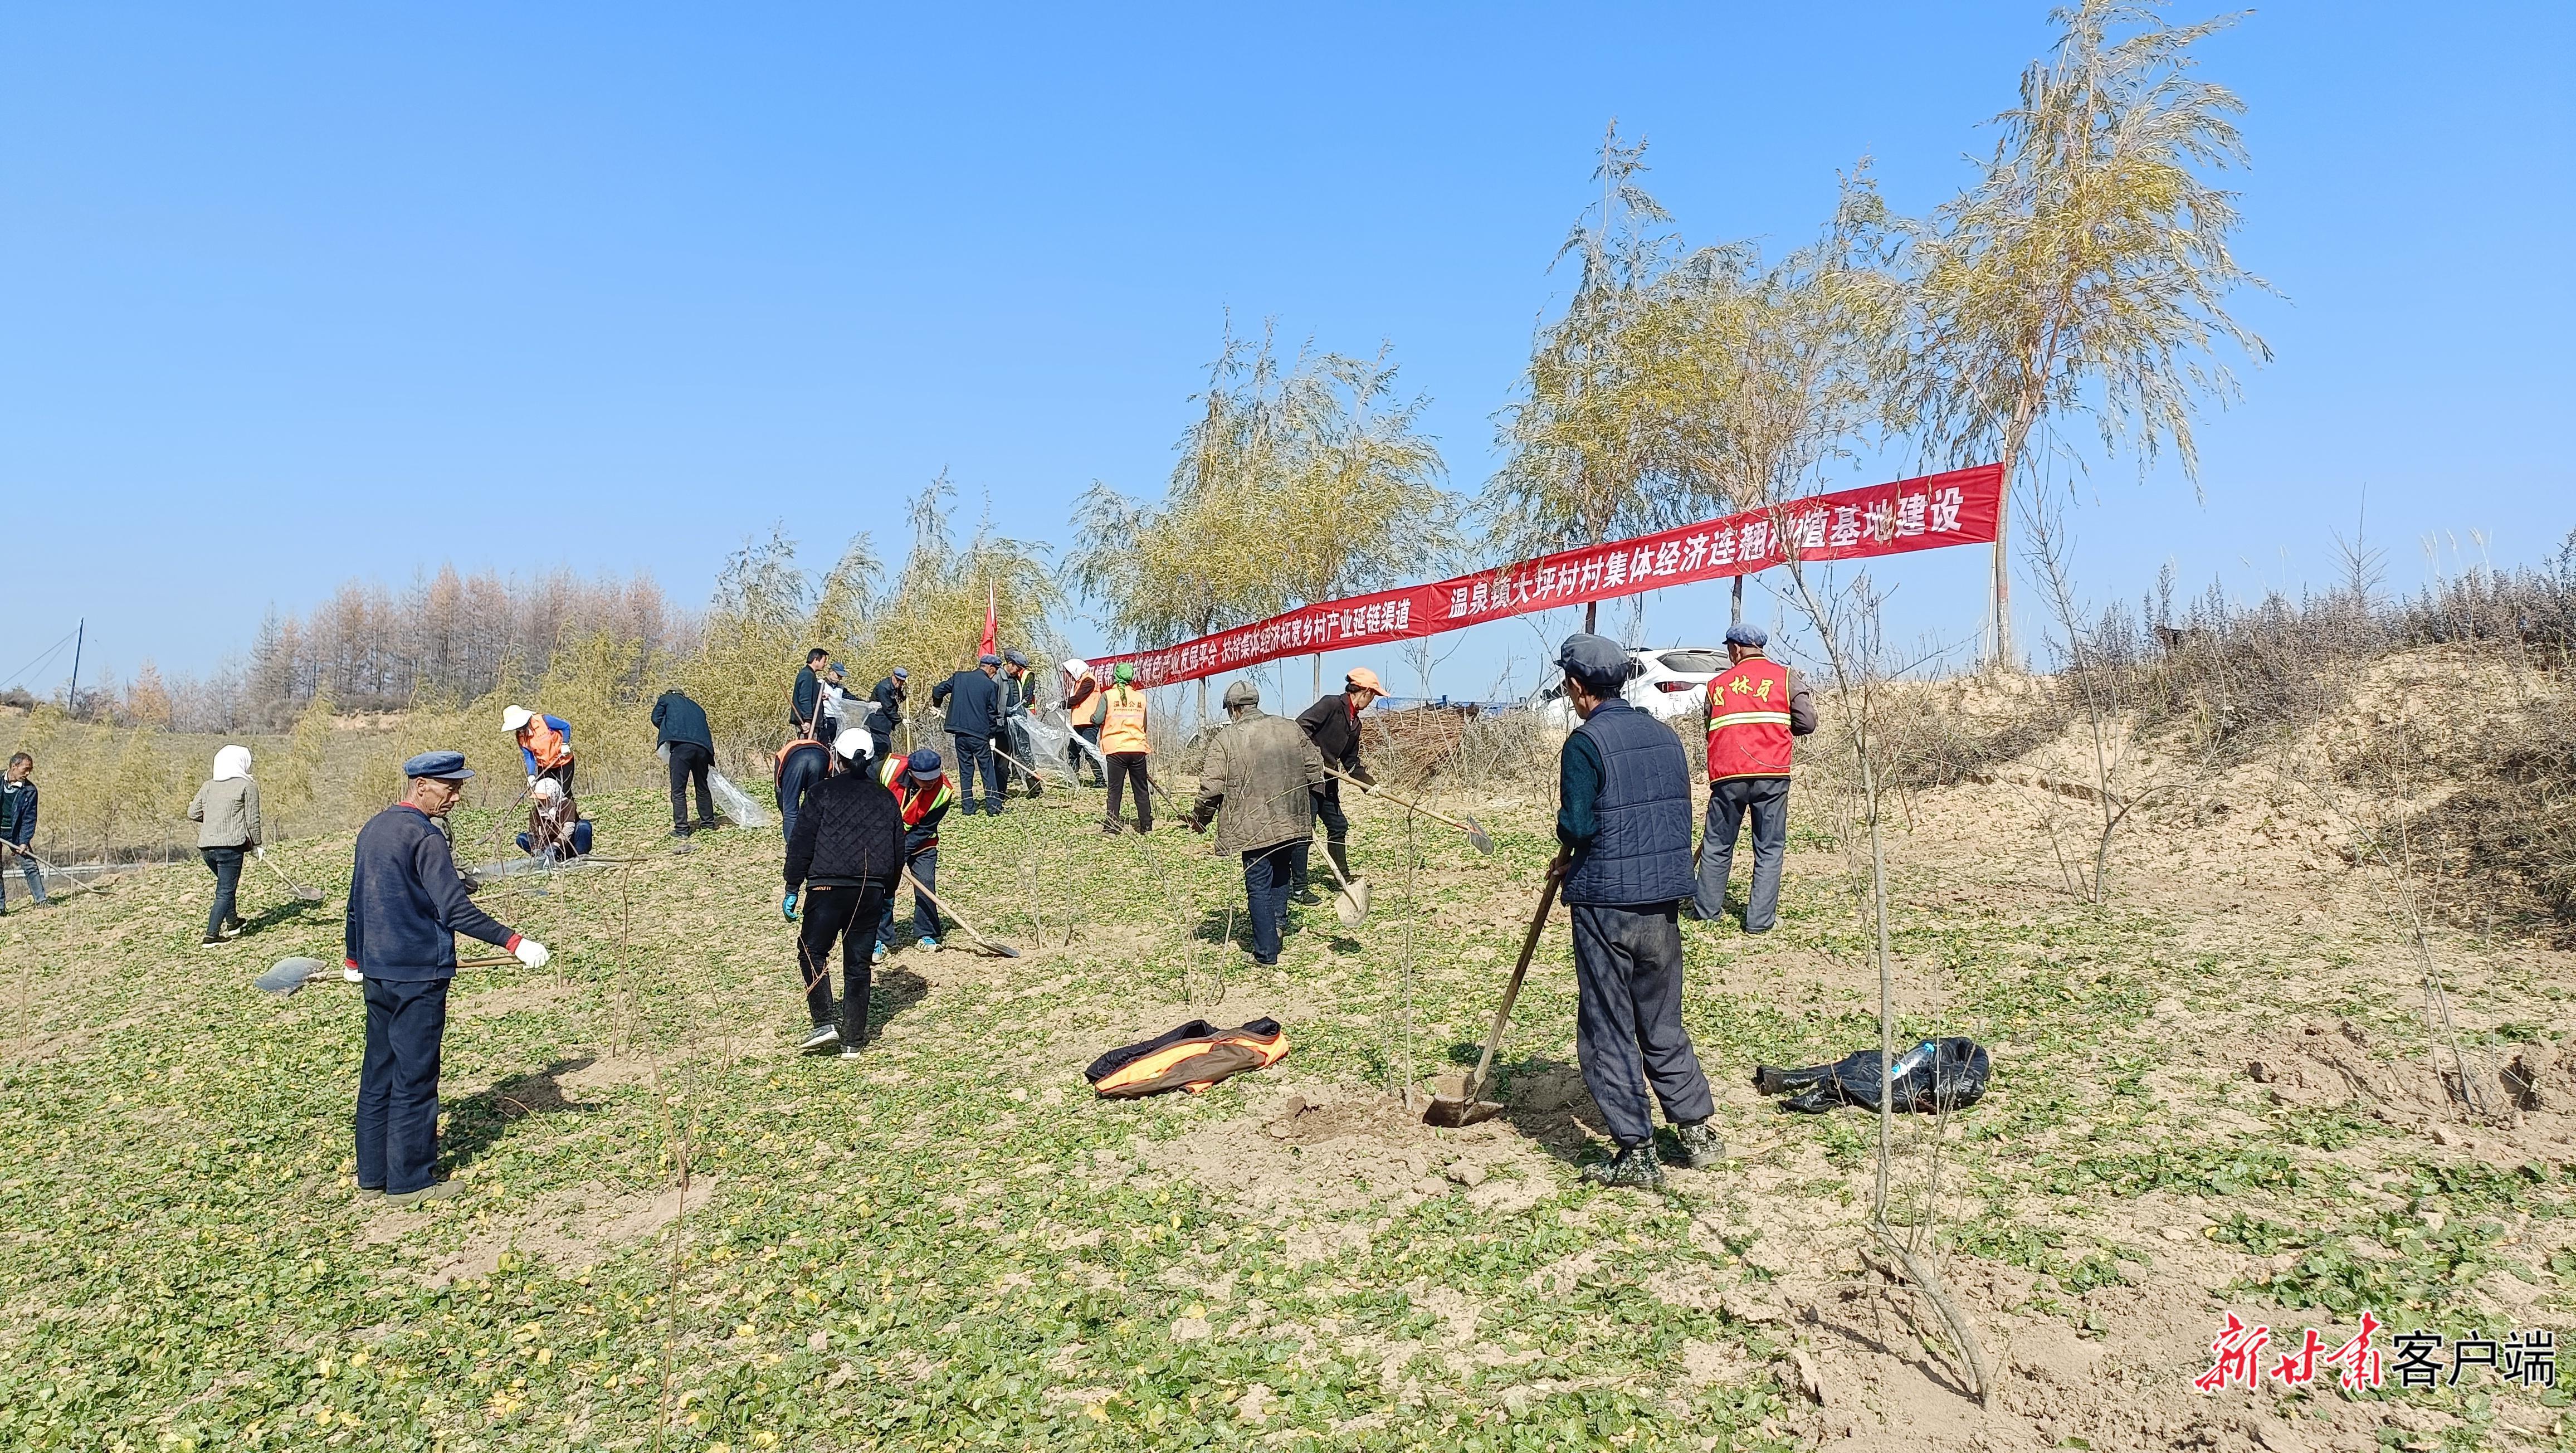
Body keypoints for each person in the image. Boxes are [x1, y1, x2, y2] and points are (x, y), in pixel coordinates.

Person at [1553, 632, 1723, 1191]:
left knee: (1606, 1026)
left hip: (1606, 903)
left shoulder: (1584, 744)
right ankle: (1697, 1130)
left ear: (1578, 687)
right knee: (1661, 1019)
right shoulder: (1664, 736)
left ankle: (1636, 1150)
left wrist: (1569, 847)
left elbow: (1578, 826)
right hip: (1662, 903)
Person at [347, 752, 549, 1205]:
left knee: (379, 1073)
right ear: (421, 786)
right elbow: (454, 910)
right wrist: (514, 941)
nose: (456, 797)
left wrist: (354, 958)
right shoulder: (426, 838)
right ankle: (410, 1182)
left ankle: (373, 1177)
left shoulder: (373, 829)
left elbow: (356, 903)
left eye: (458, 787)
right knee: (416, 1078)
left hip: (379, 973)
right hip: (418, 975)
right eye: (449, 788)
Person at [1185, 680, 1324, 967]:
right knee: (1282, 874)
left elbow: (1211, 788)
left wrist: (1200, 819)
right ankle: (1277, 926)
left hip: (1253, 826)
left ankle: (1266, 952)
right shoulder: (1290, 728)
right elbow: (1315, 767)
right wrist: (1309, 807)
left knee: (1258, 884)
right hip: (1291, 817)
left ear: (1234, 709)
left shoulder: (1226, 739)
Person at [782, 729, 901, 1058]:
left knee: (812, 951)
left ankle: (824, 1022)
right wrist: (887, 889)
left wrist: (793, 886)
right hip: (870, 889)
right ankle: (853, 1041)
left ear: (838, 757)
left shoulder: (821, 793)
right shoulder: (885, 797)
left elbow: (802, 842)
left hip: (827, 886)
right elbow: (897, 848)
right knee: (858, 964)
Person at [1691, 622, 1817, 933]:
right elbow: (1808, 722)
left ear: (1735, 649)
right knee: (1769, 848)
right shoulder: (1786, 679)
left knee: (1718, 844)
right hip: (1771, 773)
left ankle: (1706, 914)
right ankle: (1759, 923)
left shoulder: (1717, 685)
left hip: (1728, 775)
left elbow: (1711, 725)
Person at [1296, 667, 1384, 900]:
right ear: (1364, 691)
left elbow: (1352, 763)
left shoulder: (1356, 724)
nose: (1372, 700)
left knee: (1338, 826)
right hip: (1309, 779)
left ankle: (1342, 877)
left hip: (1329, 782)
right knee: (1306, 834)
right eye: (1372, 695)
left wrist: (1369, 785)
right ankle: (1299, 887)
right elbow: (1300, 727)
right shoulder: (1331, 705)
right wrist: (1314, 756)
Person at [875, 747, 955, 958]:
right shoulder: (887, 769)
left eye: (933, 778)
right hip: (882, 841)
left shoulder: (944, 792)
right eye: (924, 779)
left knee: (926, 882)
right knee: (883, 886)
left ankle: (926, 934)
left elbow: (925, 829)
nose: (929, 783)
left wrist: (899, 852)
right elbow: (865, 791)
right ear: (911, 773)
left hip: (922, 843)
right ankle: (880, 939)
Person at [186, 745, 263, 945]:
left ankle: (234, 923)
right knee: (225, 891)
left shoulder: (208, 786)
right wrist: (257, 844)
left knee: (226, 886)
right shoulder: (247, 786)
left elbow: (193, 813)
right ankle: (211, 936)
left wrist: (215, 820)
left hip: (207, 849)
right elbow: (253, 819)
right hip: (231, 848)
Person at [930, 654, 1007, 815]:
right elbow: (992, 714)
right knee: (987, 771)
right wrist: (992, 735)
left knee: (966, 771)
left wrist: (937, 706)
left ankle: (968, 807)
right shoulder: (990, 686)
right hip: (980, 736)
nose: (995, 673)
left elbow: (938, 691)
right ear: (990, 667)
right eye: (996, 670)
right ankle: (993, 807)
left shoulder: (959, 678)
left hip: (960, 734)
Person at [1091, 662, 1153, 835]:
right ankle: (1146, 827)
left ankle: (1111, 828)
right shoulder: (1140, 698)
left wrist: (1092, 716)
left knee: (1115, 790)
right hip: (1137, 748)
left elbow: (1097, 719)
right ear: (1132, 678)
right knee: (1141, 789)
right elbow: (1144, 725)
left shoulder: (1108, 696)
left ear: (1115, 677)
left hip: (1116, 748)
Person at [651, 687, 719, 837]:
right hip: (703, 749)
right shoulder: (696, 706)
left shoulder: (666, 699)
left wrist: (668, 729)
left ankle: (682, 829)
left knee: (678, 790)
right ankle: (708, 823)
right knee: (702, 786)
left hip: (681, 747)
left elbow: (656, 718)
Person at [0, 752, 43, 913]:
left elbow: (29, 819)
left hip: (16, 834)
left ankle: (41, 899)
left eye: (30, 770)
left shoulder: (30, 791)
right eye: (25, 769)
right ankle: (1, 907)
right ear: (14, 766)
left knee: (30, 865)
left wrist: (24, 841)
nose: (28, 773)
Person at [514, 777, 593, 861]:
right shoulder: (535, 812)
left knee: (583, 826)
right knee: (522, 838)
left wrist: (556, 845)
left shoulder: (568, 805)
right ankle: (547, 858)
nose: (541, 801)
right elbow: (533, 834)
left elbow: (569, 828)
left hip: (568, 844)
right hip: (548, 846)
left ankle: (581, 856)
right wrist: (536, 848)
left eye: (545, 798)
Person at [999, 650, 1043, 798]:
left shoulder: (1018, 677)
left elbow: (1025, 698)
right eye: (1017, 668)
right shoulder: (999, 677)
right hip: (1003, 724)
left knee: (1025, 754)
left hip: (1019, 721)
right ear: (1010, 664)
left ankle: (1035, 790)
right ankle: (1000, 792)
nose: (1018, 671)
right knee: (1003, 758)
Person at [501, 705, 575, 794]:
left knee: (564, 793)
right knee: (544, 794)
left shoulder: (544, 721)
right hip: (545, 766)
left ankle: (569, 807)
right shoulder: (520, 737)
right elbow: (529, 756)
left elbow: (565, 726)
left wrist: (565, 743)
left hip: (563, 761)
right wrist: (531, 774)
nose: (520, 730)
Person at [774, 733, 832, 844]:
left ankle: (793, 850)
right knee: (814, 808)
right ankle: (813, 846)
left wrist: (786, 811)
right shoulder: (822, 747)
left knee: (791, 811)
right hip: (820, 757)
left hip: (796, 759)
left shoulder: (780, 755)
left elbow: (779, 790)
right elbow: (830, 773)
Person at [1061, 659, 1104, 786]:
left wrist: (1061, 704)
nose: (1069, 675)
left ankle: (1100, 780)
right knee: (1073, 751)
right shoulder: (1079, 682)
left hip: (1089, 723)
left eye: (1069, 672)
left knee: (1089, 751)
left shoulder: (1089, 681)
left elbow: (1077, 699)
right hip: (1078, 723)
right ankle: (1072, 779)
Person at [865, 666, 910, 760]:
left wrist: (904, 695)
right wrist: (901, 720)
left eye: (902, 681)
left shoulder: (895, 687)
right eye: (897, 680)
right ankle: (876, 769)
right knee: (884, 748)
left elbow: (897, 701)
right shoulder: (884, 688)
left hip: (884, 723)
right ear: (893, 676)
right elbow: (888, 708)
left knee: (883, 749)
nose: (899, 683)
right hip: (877, 722)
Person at [791, 647, 831, 738]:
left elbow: (810, 696)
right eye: (824, 661)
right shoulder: (807, 675)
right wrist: (808, 721)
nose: (825, 664)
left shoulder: (810, 675)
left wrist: (819, 696)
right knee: (808, 750)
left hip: (810, 722)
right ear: (816, 660)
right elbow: (805, 699)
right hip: (807, 724)